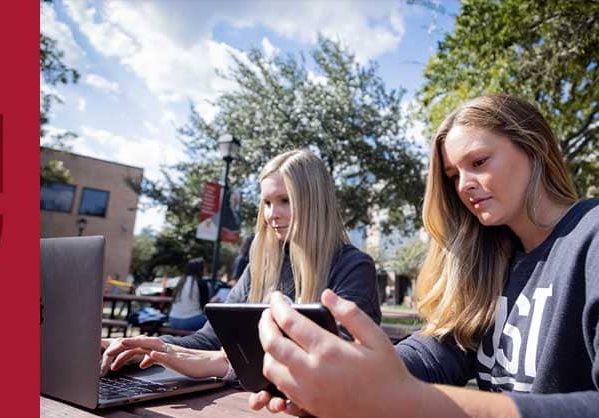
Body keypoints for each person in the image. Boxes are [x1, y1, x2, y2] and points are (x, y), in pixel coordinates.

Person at [251, 94, 599, 417]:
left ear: (533, 147)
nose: (463, 185)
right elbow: (439, 349)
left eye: (478, 161)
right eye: (453, 176)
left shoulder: (591, 237)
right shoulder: (491, 261)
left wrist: (409, 400)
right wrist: (343, 374)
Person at [100, 149, 382, 379]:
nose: (273, 214)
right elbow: (211, 338)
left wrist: (224, 365)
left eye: (285, 201)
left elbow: (342, 364)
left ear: (315, 202)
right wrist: (149, 348)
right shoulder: (260, 265)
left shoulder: (353, 267)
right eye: (267, 203)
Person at [167, 258, 210, 331]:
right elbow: (205, 306)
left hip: (173, 320)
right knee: (215, 323)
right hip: (191, 321)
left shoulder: (180, 281)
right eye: (204, 267)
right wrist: (213, 301)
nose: (205, 269)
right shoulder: (201, 283)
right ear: (200, 269)